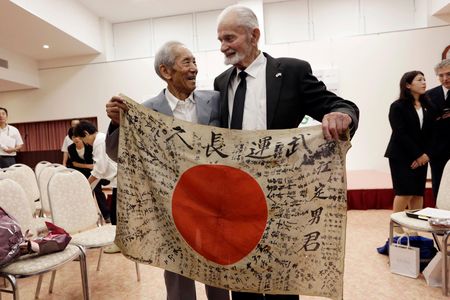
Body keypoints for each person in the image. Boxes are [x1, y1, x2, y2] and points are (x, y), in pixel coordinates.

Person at [214, 6, 359, 299]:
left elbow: (341, 105)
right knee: (242, 280)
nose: (223, 47)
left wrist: (341, 116)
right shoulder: (221, 82)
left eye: (230, 38)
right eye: (220, 40)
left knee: (282, 281)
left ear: (254, 35)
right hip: (237, 200)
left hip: (281, 200)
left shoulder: (292, 71)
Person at [105, 41, 229, 300]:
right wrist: (117, 123)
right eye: (187, 62)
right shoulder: (146, 110)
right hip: (172, 205)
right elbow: (118, 154)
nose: (194, 68)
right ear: (166, 71)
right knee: (177, 271)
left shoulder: (216, 100)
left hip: (213, 202)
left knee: (218, 269)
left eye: (195, 61)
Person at [385, 71, 434, 217]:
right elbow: (400, 133)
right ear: (407, 85)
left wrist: (426, 155)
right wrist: (418, 155)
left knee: (418, 194)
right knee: (404, 193)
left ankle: (415, 226)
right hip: (401, 155)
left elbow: (432, 133)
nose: (424, 82)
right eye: (419, 80)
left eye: (424, 79)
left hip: (423, 156)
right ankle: (396, 226)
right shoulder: (397, 106)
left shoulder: (429, 105)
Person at [72, 120, 118, 253]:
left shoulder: (99, 142)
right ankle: (120, 242)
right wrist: (88, 188)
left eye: (83, 139)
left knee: (115, 215)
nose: (86, 143)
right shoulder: (103, 137)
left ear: (86, 133)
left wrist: (85, 184)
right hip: (118, 179)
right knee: (116, 214)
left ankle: (119, 243)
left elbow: (100, 169)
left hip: (119, 179)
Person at [66, 127, 111, 223]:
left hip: (94, 173)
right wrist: (87, 166)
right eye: (73, 137)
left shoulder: (90, 145)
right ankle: (86, 216)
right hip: (80, 174)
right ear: (71, 138)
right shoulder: (70, 148)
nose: (76, 139)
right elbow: (74, 163)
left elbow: (97, 163)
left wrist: (92, 168)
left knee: (98, 191)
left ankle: (107, 215)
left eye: (77, 136)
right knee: (85, 194)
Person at [426, 59, 450, 200]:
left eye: (448, 74)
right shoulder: (429, 95)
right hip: (437, 151)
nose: (445, 78)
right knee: (439, 185)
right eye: (441, 75)